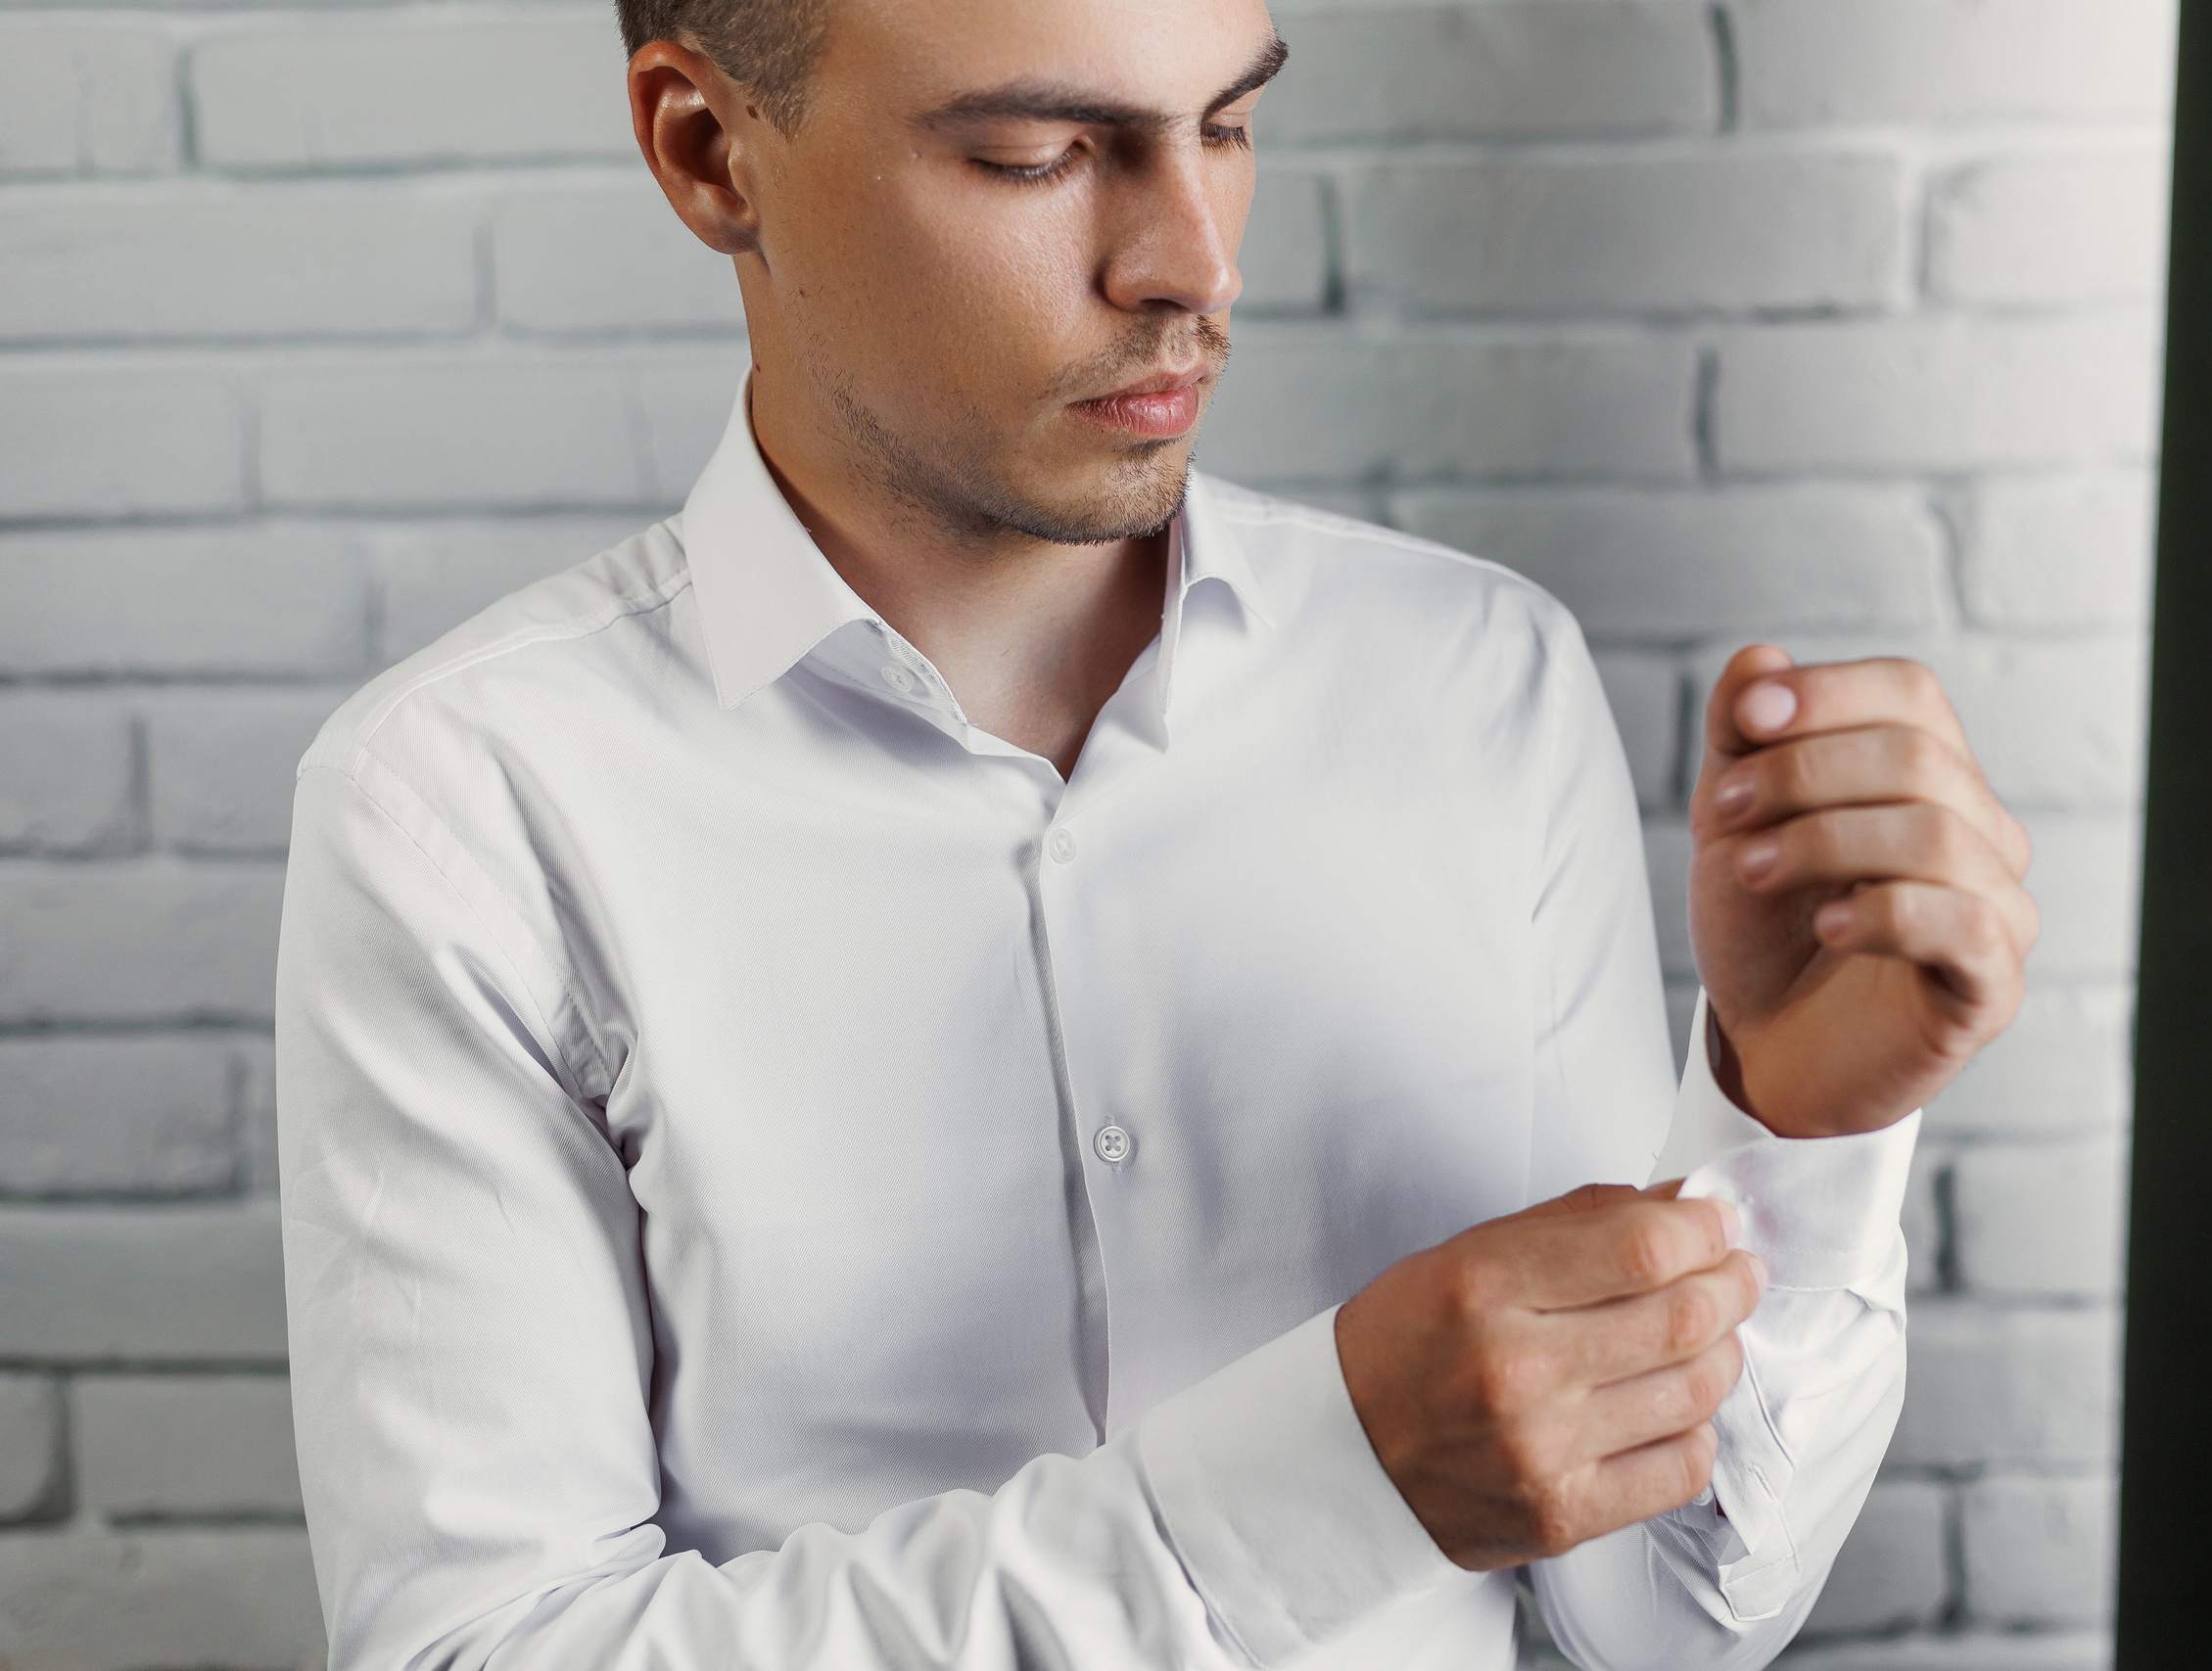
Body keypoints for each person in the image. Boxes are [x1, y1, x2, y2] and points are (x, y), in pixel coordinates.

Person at [271, 0, 2038, 1665]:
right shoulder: (467, 810)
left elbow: (1652, 1622)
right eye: (1041, 153)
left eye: (1232, 122)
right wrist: (1325, 1485)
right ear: (709, 151)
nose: (1196, 264)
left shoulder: (1477, 681)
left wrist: (1794, 1127)